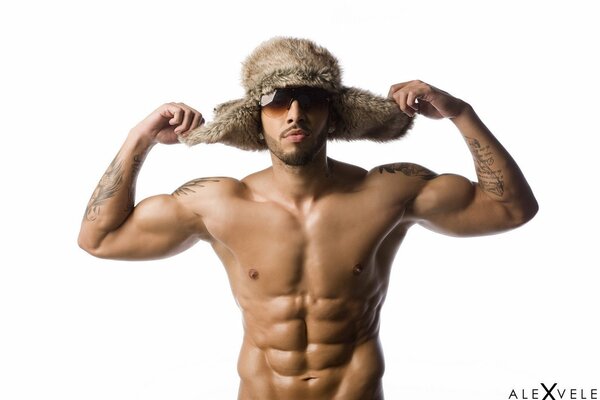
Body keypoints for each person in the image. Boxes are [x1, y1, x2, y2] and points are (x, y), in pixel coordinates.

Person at [78, 37, 538, 400]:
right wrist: (139, 138)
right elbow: (99, 239)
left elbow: (511, 209)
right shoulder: (219, 202)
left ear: (331, 116)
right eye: (277, 101)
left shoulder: (387, 192)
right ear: (257, 119)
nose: (295, 114)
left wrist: (461, 113)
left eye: (310, 101)